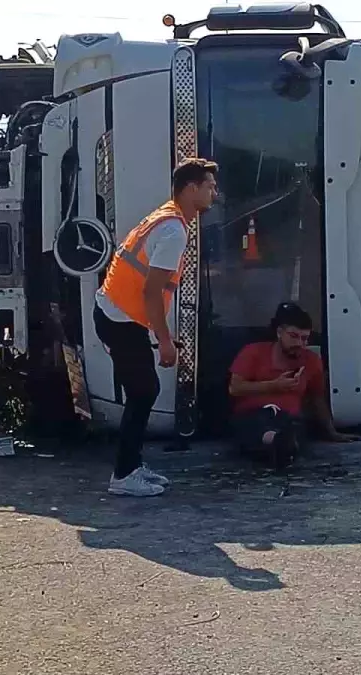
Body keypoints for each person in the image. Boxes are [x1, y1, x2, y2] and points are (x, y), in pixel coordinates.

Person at [93, 157, 219, 497]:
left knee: (142, 390)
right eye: (209, 187)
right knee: (144, 391)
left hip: (116, 313)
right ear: (191, 189)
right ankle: (123, 475)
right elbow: (151, 290)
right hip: (121, 319)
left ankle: (131, 466)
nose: (214, 193)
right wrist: (164, 341)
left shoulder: (168, 217)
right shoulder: (173, 229)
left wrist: (159, 333)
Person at [227, 302, 359, 470]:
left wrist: (331, 431)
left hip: (289, 417)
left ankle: (281, 445)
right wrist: (273, 386)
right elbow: (235, 388)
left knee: (291, 426)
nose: (300, 343)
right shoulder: (254, 352)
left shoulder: (311, 360)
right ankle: (275, 443)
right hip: (252, 414)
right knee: (258, 425)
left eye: (304, 338)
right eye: (294, 336)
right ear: (279, 332)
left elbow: (317, 398)